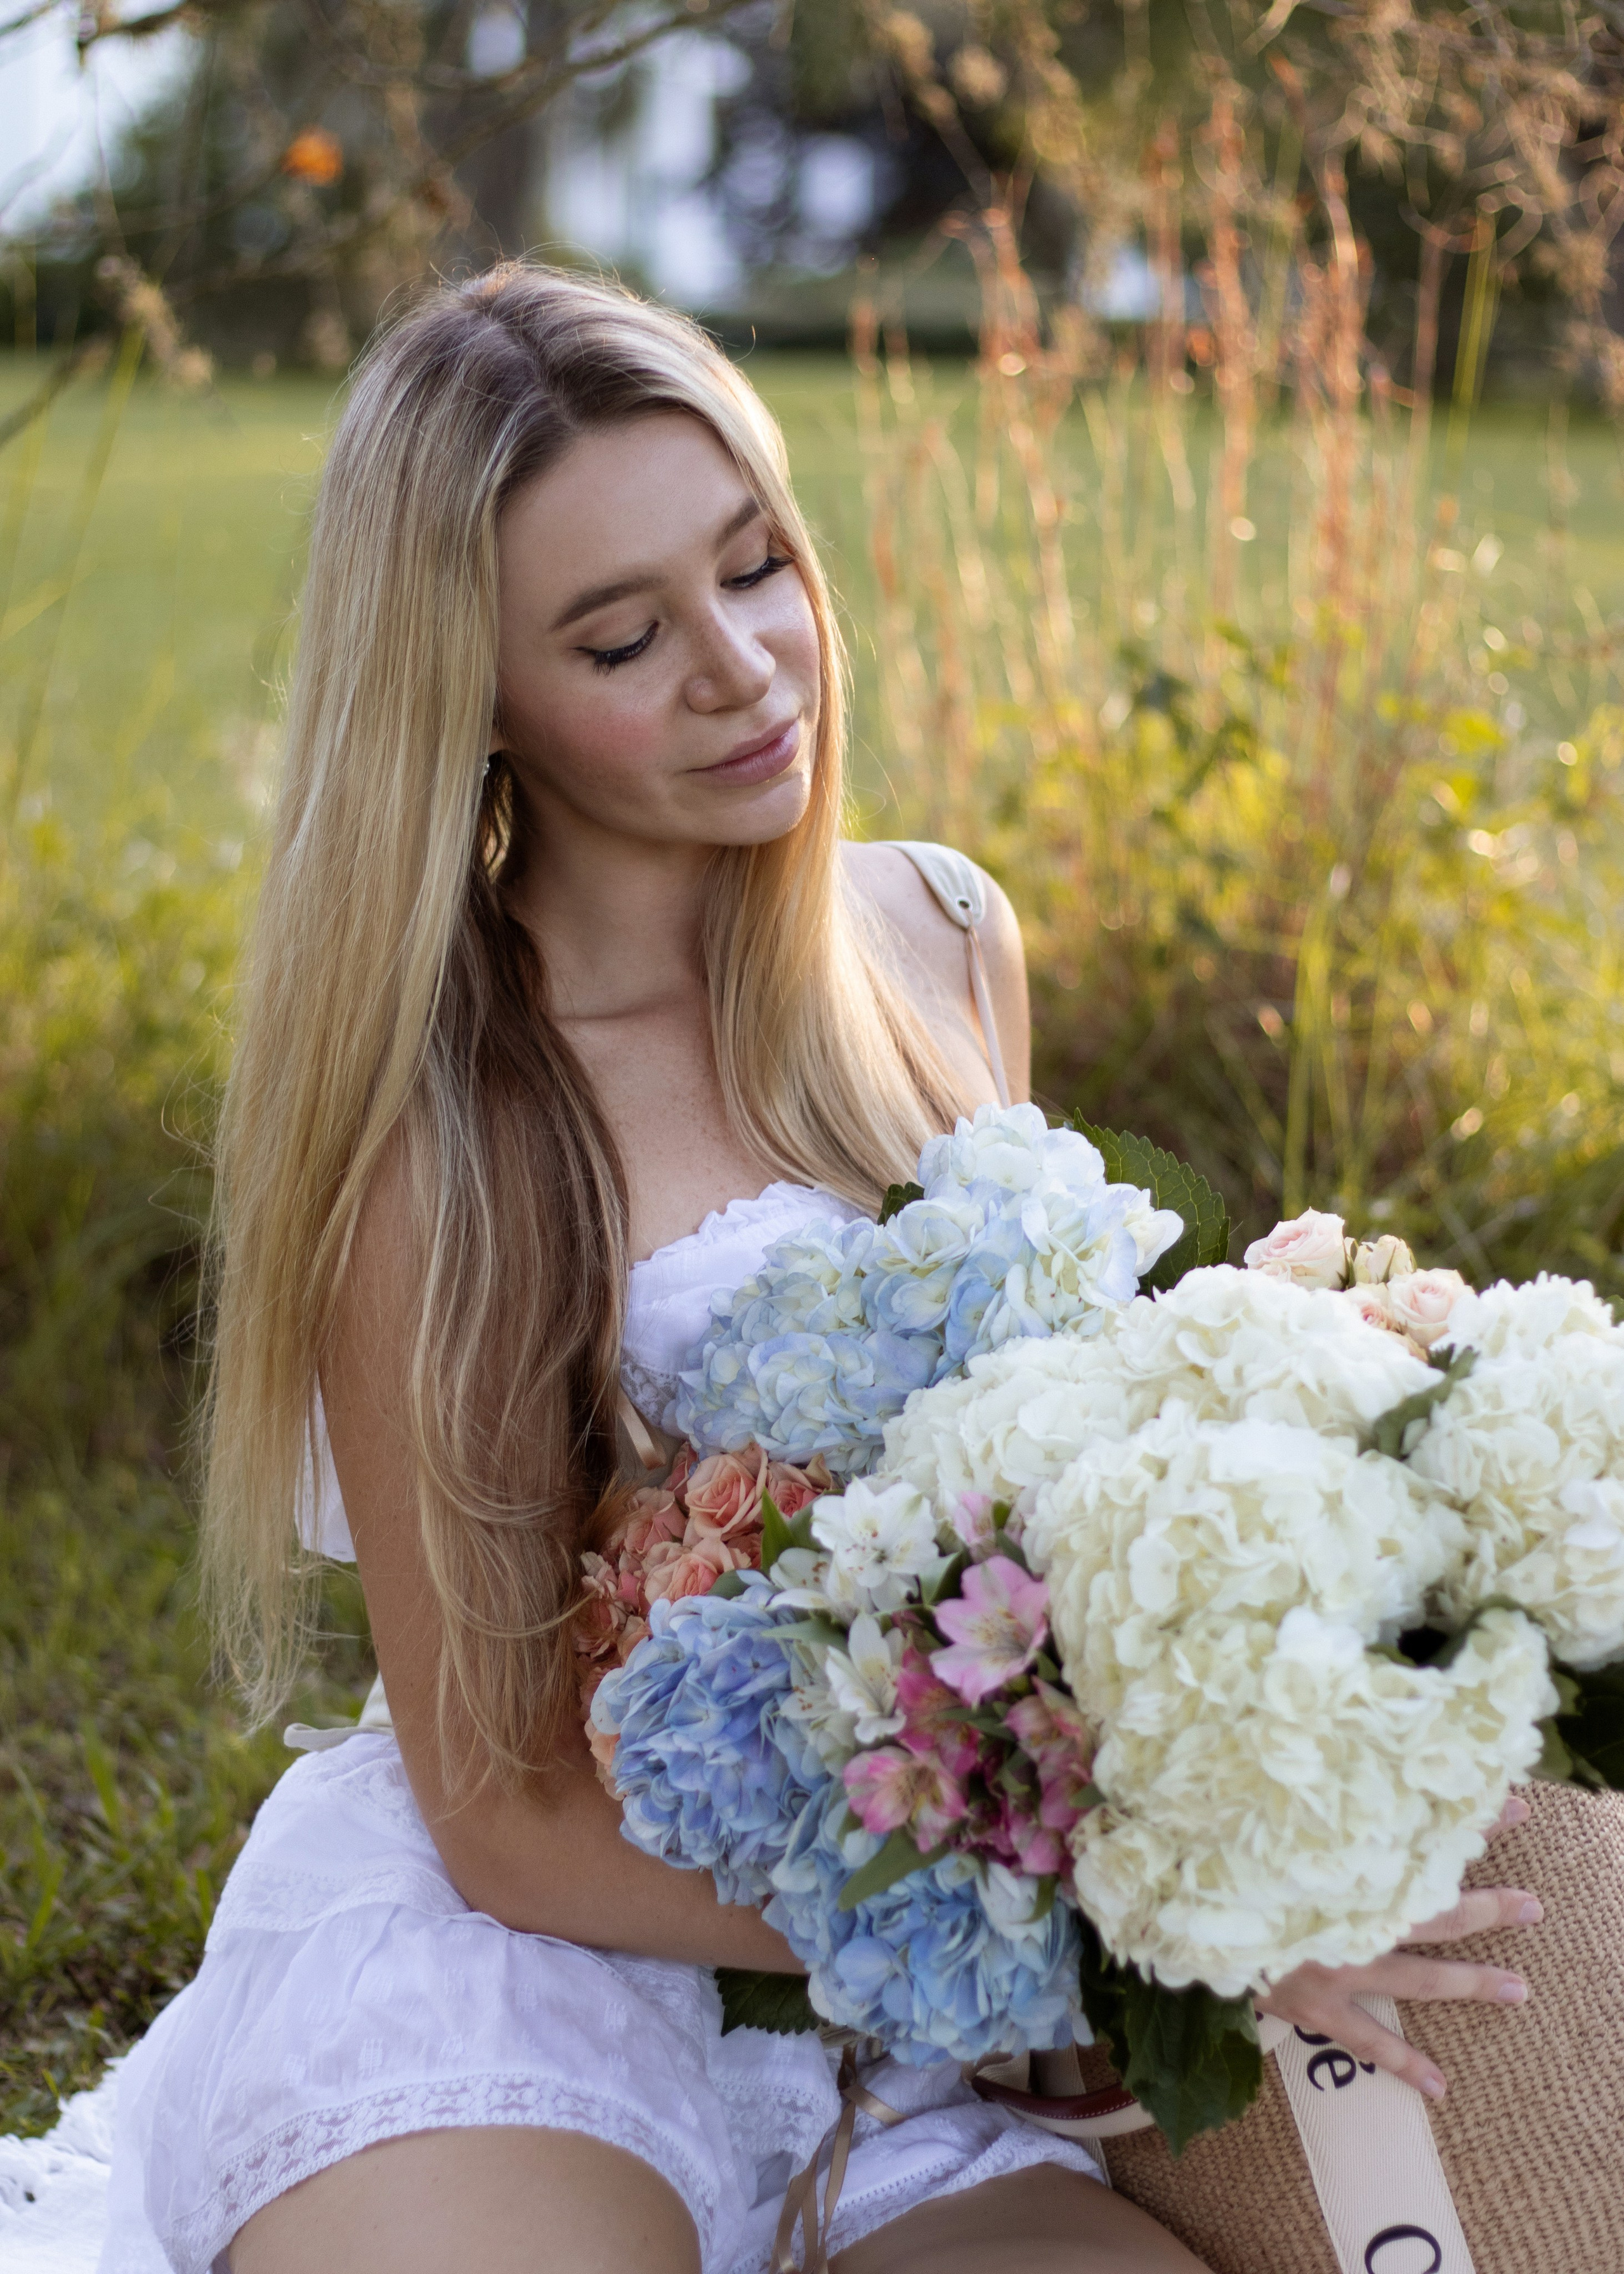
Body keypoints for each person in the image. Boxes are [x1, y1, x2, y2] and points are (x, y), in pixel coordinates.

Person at [98, 265, 1542, 2274]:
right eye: (622, 636)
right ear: (476, 704)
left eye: (757, 567)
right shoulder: (443, 1128)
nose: (744, 667)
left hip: (919, 2017)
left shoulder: (946, 938)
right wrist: (1099, 1925)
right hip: (530, 1966)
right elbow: (505, 1813)